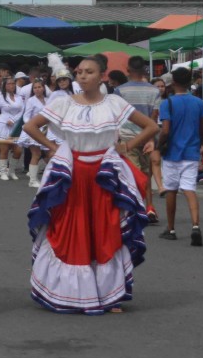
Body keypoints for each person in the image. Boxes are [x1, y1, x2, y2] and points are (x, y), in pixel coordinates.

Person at [22, 54, 158, 314]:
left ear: (102, 76)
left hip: (105, 176)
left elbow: (151, 126)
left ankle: (110, 296)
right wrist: (53, 147)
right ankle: (69, 293)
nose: (83, 76)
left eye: (89, 72)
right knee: (71, 230)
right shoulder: (64, 103)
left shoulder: (115, 103)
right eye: (80, 72)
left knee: (106, 230)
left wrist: (127, 146)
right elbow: (31, 126)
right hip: (73, 175)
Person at [157, 67, 203, 245]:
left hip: (172, 153)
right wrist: (200, 142)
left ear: (173, 82)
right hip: (191, 152)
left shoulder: (167, 104)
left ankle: (170, 228)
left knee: (171, 189)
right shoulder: (199, 103)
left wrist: (158, 144)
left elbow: (165, 130)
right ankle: (195, 225)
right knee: (190, 189)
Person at [114, 56, 162, 224]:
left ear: (128, 70)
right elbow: (154, 117)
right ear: (144, 70)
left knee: (132, 175)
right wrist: (151, 138)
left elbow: (117, 116)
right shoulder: (154, 91)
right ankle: (149, 207)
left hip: (127, 137)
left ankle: (136, 207)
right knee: (146, 174)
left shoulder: (120, 91)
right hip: (148, 137)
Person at [0, 77, 24, 181]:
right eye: (9, 84)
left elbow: (22, 111)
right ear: (5, 86)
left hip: (16, 125)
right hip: (3, 124)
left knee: (18, 150)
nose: (11, 85)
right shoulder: (0, 98)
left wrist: (13, 120)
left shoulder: (19, 97)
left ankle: (11, 171)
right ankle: (3, 172)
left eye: (13, 83)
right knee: (4, 149)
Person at [18, 79, 50, 188]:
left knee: (46, 154)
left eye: (39, 87)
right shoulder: (31, 100)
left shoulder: (48, 100)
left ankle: (38, 176)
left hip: (46, 130)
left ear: (44, 88)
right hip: (33, 130)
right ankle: (32, 180)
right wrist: (33, 125)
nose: (37, 89)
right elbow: (26, 116)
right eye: (35, 88)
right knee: (36, 154)